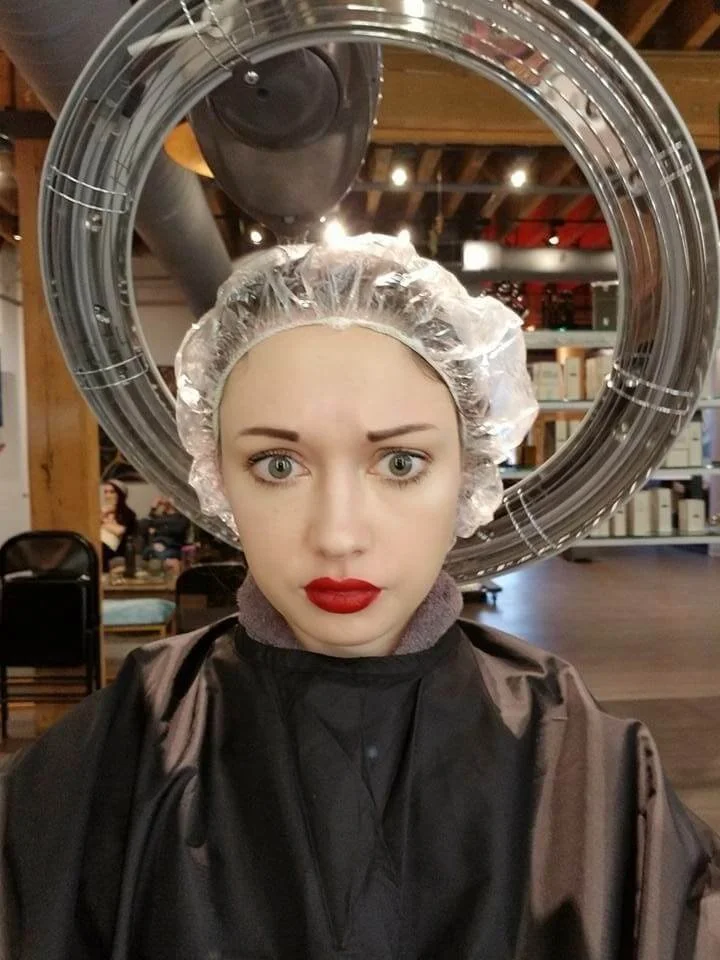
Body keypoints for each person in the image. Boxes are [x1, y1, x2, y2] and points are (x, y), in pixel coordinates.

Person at [2, 234, 719, 959]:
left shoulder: (586, 767)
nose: (338, 535)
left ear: (469, 472)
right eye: (277, 464)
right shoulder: (118, 752)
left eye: (401, 462)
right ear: (217, 477)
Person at [138, 496, 191, 573]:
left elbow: (178, 528)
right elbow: (142, 526)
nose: (165, 498)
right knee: (146, 555)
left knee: (160, 556)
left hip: (171, 549)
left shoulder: (181, 517)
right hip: (152, 549)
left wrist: (156, 530)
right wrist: (153, 509)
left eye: (169, 496)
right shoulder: (158, 516)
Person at [99, 478, 137, 572]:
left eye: (112, 492)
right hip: (98, 541)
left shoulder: (128, 513)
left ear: (120, 494)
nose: (108, 495)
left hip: (114, 548)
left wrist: (102, 521)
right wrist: (104, 515)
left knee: (100, 548)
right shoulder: (102, 510)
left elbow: (120, 531)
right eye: (106, 492)